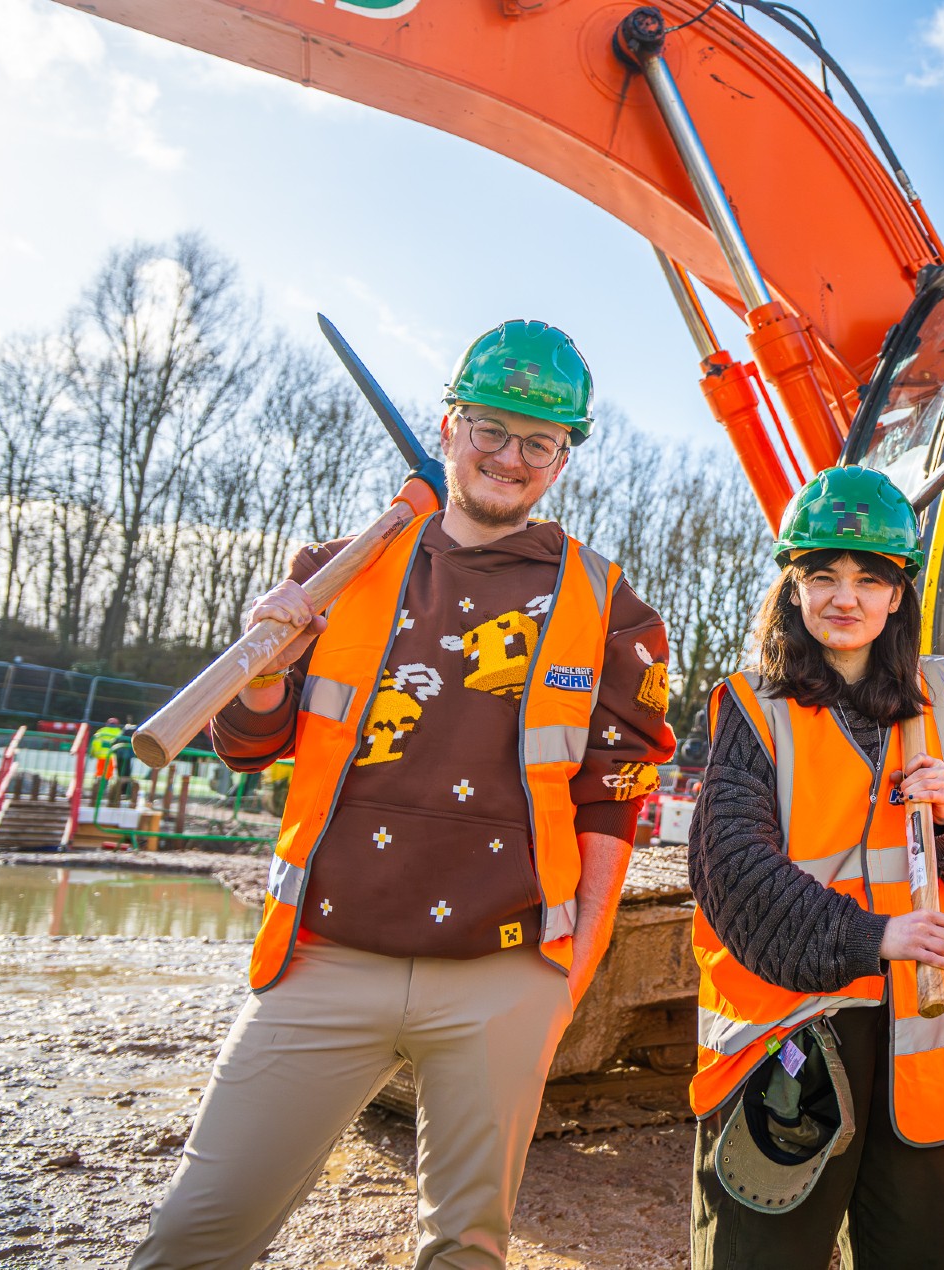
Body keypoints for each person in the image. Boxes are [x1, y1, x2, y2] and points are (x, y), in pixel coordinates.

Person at [128, 320, 675, 1270]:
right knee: (194, 1233)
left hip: (504, 972)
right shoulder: (337, 573)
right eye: (490, 429)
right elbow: (253, 748)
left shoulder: (615, 612)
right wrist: (264, 669)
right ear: (450, 423)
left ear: (563, 458)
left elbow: (609, 809)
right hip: (325, 958)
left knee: (465, 1252)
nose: (510, 457)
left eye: (538, 442)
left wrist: (567, 982)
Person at [686, 465, 944, 1269]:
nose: (846, 598)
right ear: (794, 588)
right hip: (787, 1044)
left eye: (869, 579)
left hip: (915, 1050)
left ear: (898, 594)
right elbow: (732, 871)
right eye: (823, 577)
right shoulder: (750, 707)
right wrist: (872, 936)